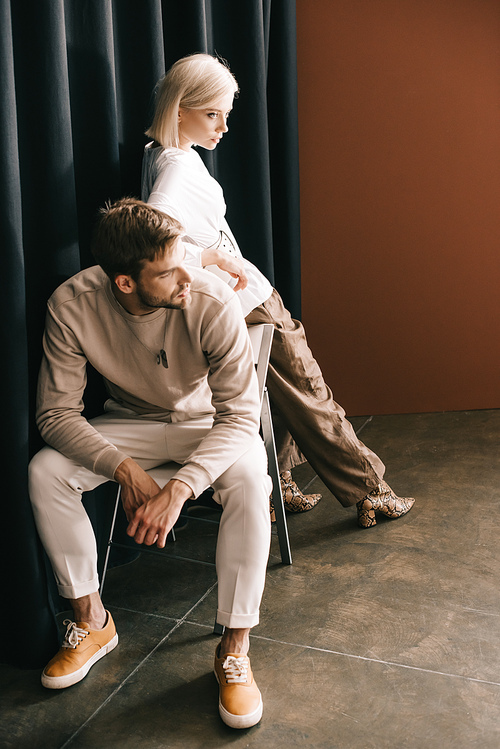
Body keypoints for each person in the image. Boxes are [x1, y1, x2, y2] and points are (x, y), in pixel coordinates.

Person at [28, 198, 272, 730]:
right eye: (167, 271)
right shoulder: (71, 305)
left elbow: (240, 417)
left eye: (184, 256)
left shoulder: (209, 299)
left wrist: (181, 488)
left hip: (205, 424)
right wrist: (125, 471)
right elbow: (54, 415)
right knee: (45, 471)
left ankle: (234, 647)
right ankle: (91, 620)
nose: (187, 275)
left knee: (252, 476)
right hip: (129, 426)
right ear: (125, 283)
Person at [141, 53, 415, 526]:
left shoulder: (166, 156)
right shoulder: (175, 170)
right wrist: (207, 258)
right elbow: (151, 246)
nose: (223, 127)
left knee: (282, 388)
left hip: (244, 297)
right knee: (308, 390)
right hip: (246, 301)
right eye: (212, 114)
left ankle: (278, 486)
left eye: (227, 114)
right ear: (179, 108)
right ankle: (371, 490)